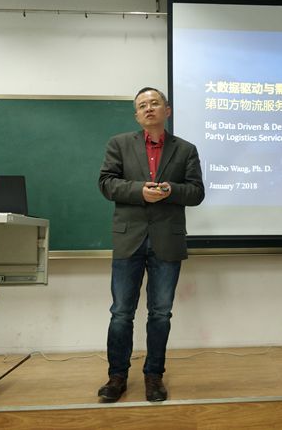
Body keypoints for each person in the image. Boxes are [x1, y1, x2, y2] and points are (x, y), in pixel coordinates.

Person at [97, 87, 204, 402]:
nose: (148, 108)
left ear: (166, 111)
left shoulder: (185, 149)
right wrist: (139, 191)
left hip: (167, 240)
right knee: (121, 313)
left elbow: (196, 192)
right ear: (136, 115)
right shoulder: (118, 144)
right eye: (142, 105)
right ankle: (117, 377)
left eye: (154, 103)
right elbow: (106, 183)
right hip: (128, 238)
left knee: (161, 313)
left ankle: (154, 376)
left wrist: (171, 190)